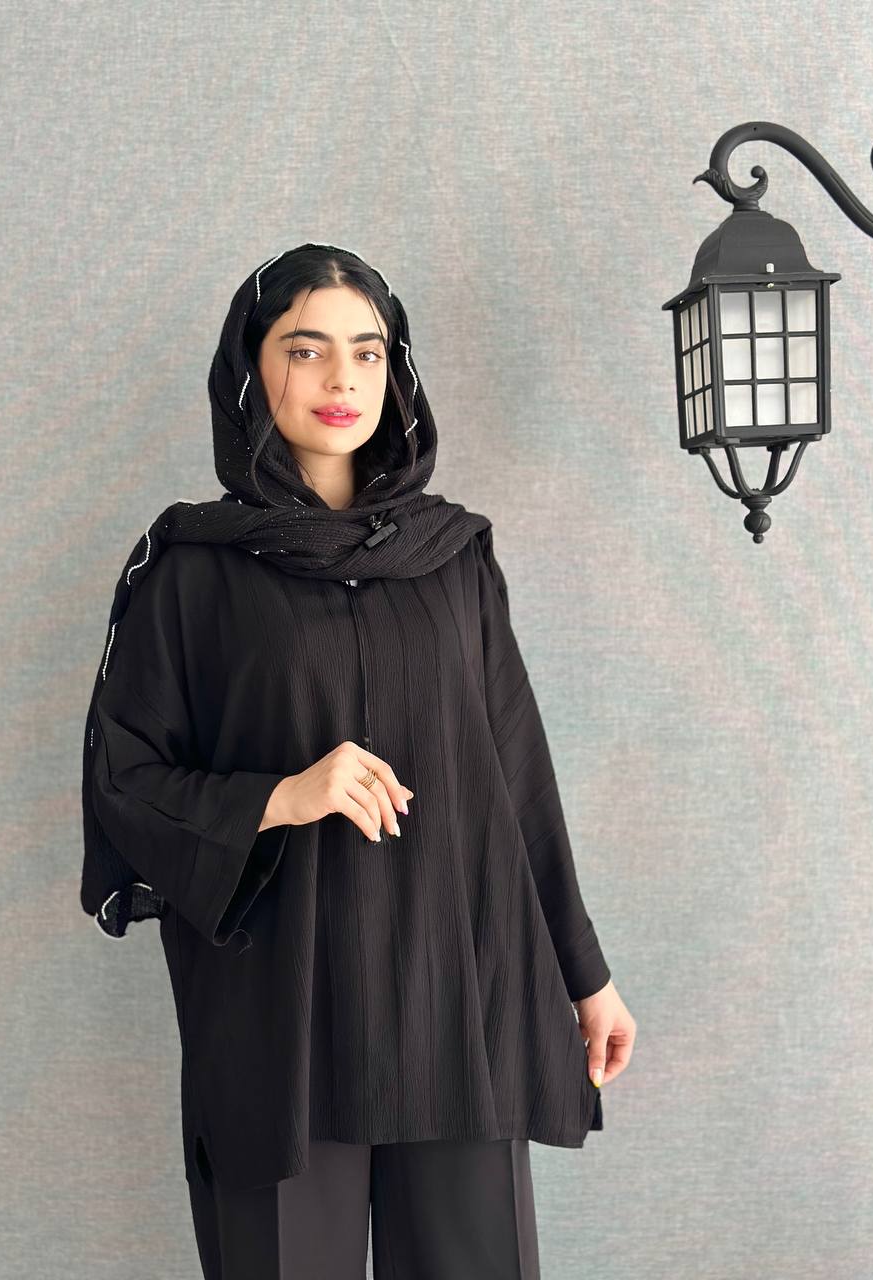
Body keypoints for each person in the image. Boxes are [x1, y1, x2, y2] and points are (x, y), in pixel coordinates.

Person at [80, 243, 637, 1279]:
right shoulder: (192, 570)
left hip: (454, 999)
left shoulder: (454, 558)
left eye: (368, 352)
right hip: (280, 1017)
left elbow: (517, 775)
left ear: (395, 370)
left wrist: (586, 976)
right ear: (251, 368)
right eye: (307, 349)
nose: (342, 378)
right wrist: (283, 796)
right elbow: (125, 780)